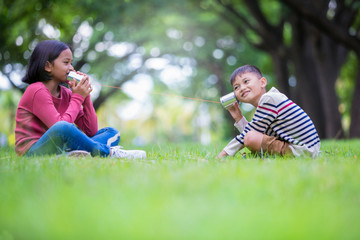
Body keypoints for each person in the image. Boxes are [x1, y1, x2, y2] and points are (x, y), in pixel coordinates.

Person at [15, 40, 146, 159]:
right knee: (63, 127)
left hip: (60, 147)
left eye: (71, 63)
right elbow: (61, 127)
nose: (71, 68)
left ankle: (73, 153)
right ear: (48, 66)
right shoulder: (36, 90)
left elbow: (91, 131)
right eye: (66, 62)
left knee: (110, 132)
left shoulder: (66, 93)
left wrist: (86, 98)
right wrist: (77, 98)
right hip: (33, 151)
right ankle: (109, 152)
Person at [217, 65, 320, 159]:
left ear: (262, 82)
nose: (242, 88)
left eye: (246, 81)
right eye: (236, 87)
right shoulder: (266, 104)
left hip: (303, 152)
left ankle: (258, 157)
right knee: (251, 137)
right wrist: (238, 118)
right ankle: (258, 157)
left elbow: (249, 135)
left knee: (250, 137)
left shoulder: (269, 99)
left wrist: (222, 156)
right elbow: (254, 133)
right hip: (304, 149)